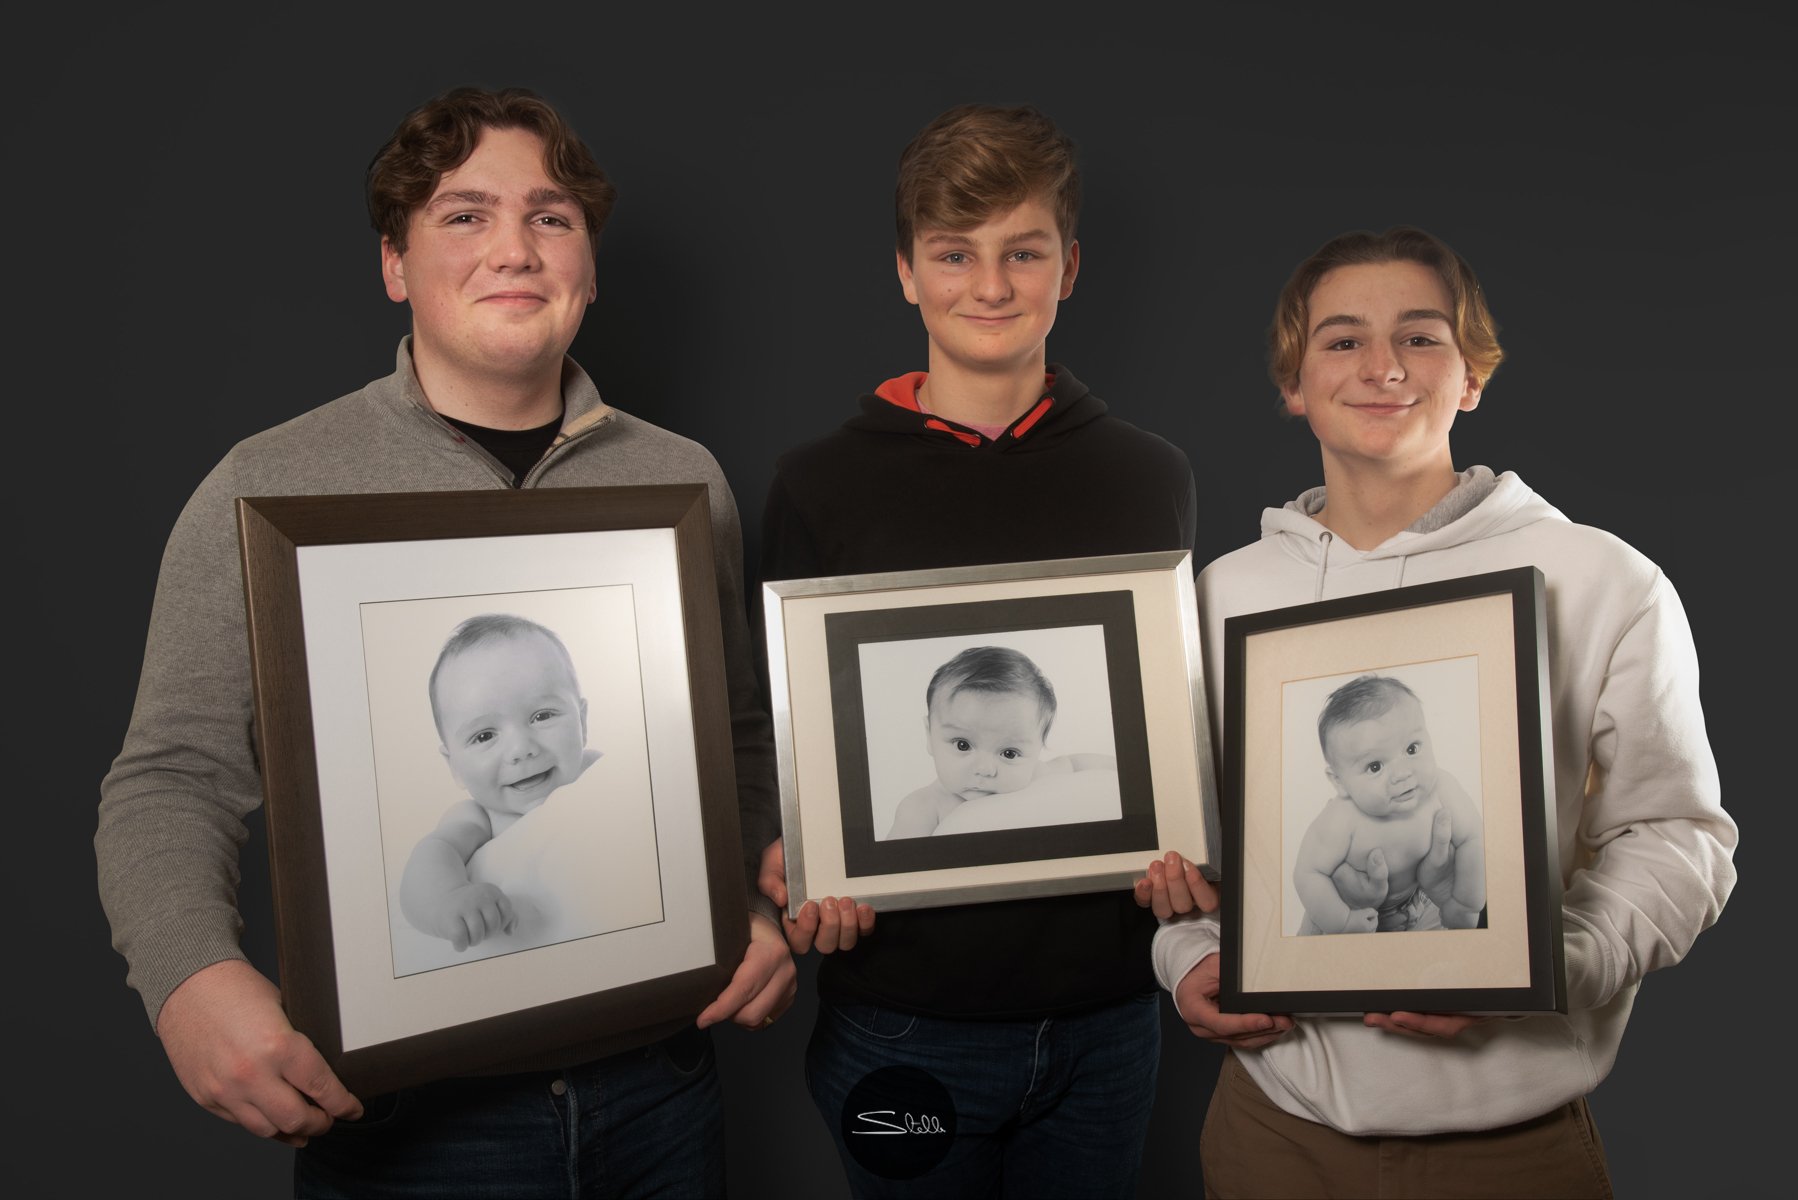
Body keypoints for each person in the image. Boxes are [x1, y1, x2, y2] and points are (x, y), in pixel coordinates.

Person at [96, 85, 794, 1197]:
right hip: (409, 1122)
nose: (514, 250)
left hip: (661, 1088)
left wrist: (746, 899)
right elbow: (171, 775)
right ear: (394, 263)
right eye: (464, 216)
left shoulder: (684, 480)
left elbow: (737, 736)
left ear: (589, 264)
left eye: (551, 217)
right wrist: (190, 980)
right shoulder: (265, 485)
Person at [1151, 226, 1735, 1197]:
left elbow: (1679, 838)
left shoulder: (1598, 578)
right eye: (1342, 340)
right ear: (1292, 384)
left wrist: (1554, 964)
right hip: (1272, 1132)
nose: (1382, 366)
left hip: (1514, 1146)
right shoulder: (1219, 597)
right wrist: (1185, 961)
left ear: (1472, 377)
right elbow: (1190, 857)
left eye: (1420, 338)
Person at [757, 103, 1197, 1196]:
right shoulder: (819, 485)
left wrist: (1188, 840)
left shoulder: (1149, 477)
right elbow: (786, 730)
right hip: (902, 1021)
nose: (989, 286)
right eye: (955, 254)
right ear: (907, 271)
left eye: (1022, 252)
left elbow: (1158, 724)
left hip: (1108, 1017)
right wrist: (810, 860)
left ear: (1070, 266)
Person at [400, 614, 602, 951]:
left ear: (581, 720)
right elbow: (431, 858)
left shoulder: (599, 772)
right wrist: (448, 900)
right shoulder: (475, 818)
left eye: (542, 716)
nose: (521, 750)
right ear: (454, 767)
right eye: (484, 736)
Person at [1294, 673, 1484, 935]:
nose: (1402, 773)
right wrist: (1343, 921)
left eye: (1412, 749)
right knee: (1311, 967)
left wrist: (1465, 903)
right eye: (1375, 766)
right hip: (1345, 907)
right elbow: (1308, 874)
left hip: (1423, 902)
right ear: (1339, 782)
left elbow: (1474, 838)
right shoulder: (1341, 818)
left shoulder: (1442, 788)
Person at [887, 645, 1118, 840]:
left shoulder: (1039, 775)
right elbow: (894, 874)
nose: (985, 770)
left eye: (1009, 753)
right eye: (962, 745)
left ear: (1038, 748)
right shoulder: (923, 809)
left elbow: (1076, 764)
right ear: (929, 736)